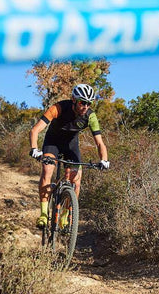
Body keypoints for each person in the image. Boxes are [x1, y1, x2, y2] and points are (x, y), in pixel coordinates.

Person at [29, 83, 110, 228]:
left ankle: (65, 215)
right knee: (47, 170)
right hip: (52, 142)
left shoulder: (90, 116)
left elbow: (99, 143)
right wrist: (34, 149)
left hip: (71, 145)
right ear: (74, 99)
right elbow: (35, 130)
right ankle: (43, 214)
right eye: (82, 102)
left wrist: (104, 160)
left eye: (88, 103)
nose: (85, 106)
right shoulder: (58, 108)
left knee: (76, 180)